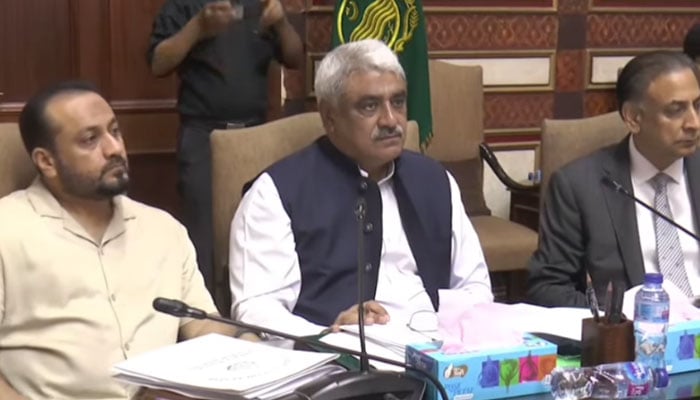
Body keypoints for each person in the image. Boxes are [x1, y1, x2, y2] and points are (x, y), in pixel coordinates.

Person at [0, 82, 257, 400]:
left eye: (115, 131)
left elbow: (201, 325)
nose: (114, 149)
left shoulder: (163, 229)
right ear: (46, 161)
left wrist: (248, 345)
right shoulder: (7, 231)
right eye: (90, 140)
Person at [228, 39, 493, 337]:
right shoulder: (275, 194)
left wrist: (453, 338)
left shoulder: (435, 180)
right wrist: (329, 336)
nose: (390, 120)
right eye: (370, 106)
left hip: (437, 355)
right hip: (336, 365)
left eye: (398, 102)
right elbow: (258, 310)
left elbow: (474, 285)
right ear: (330, 117)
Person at [147, 0, 303, 291]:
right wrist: (198, 28)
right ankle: (206, 321)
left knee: (260, 232)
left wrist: (281, 23)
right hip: (203, 136)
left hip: (255, 137)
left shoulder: (261, 4)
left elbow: (295, 58)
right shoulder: (184, 5)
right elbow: (159, 62)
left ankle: (255, 312)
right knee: (203, 239)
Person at [528, 51, 700, 307]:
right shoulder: (579, 185)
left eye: (698, 106)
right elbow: (547, 289)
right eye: (675, 111)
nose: (694, 123)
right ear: (632, 117)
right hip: (634, 335)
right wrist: (619, 315)